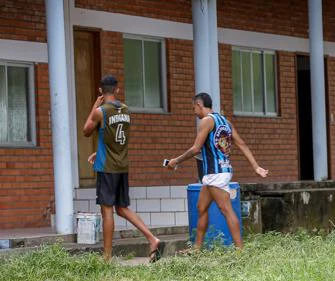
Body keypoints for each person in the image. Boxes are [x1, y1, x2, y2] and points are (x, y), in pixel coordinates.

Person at [166, 93, 268, 250]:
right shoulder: (225, 121)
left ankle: (241, 251)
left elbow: (196, 148)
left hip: (215, 172)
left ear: (199, 105)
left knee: (226, 209)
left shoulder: (206, 121)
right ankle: (197, 249)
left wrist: (175, 161)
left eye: (194, 108)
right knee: (201, 207)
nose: (194, 112)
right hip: (220, 170)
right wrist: (255, 166)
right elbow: (241, 144)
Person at [82, 75, 162, 263]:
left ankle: (107, 258)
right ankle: (152, 239)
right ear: (117, 90)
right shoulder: (126, 110)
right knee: (122, 208)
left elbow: (86, 131)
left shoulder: (101, 111)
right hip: (122, 165)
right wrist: (98, 151)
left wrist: (95, 105)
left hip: (107, 167)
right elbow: (115, 137)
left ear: (101, 91)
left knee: (107, 210)